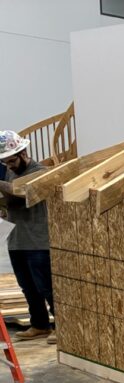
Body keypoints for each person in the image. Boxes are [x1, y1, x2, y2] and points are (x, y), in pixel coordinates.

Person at [0, 130, 53, 342]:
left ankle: (61, 326)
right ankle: (39, 324)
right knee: (28, 287)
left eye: (11, 161)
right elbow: (12, 198)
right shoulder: (11, 173)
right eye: (5, 163)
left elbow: (22, 193)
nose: (9, 166)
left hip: (38, 240)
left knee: (46, 286)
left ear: (23, 153)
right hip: (17, 239)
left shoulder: (40, 171)